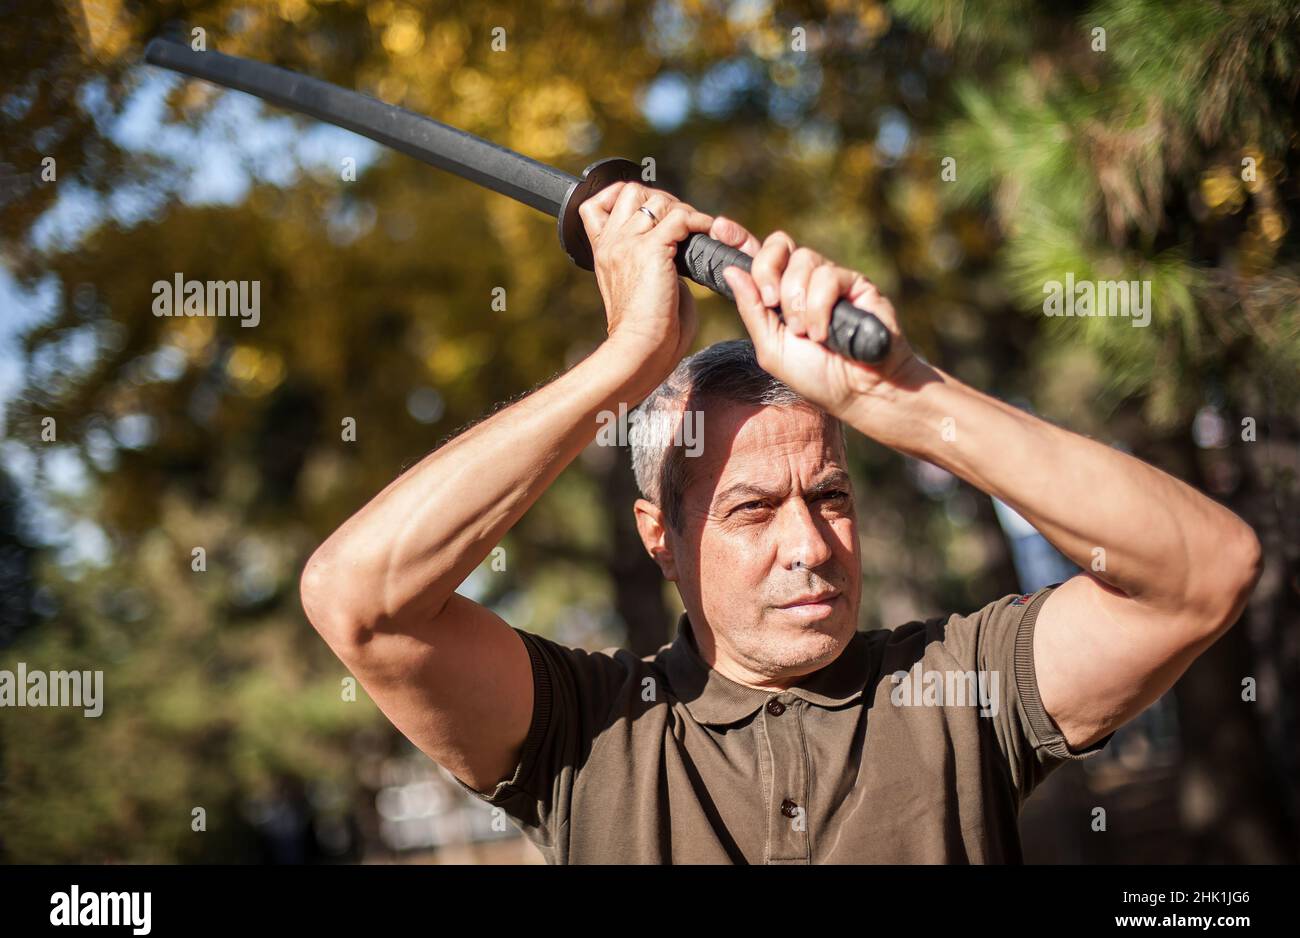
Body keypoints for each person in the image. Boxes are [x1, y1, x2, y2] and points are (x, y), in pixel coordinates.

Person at [299, 182, 1261, 863]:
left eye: (831, 496)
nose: (809, 546)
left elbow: (1205, 570)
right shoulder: (589, 733)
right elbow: (361, 601)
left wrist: (913, 403)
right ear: (658, 533)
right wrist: (628, 357)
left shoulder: (955, 689)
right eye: (751, 509)